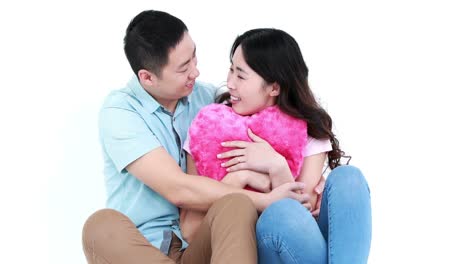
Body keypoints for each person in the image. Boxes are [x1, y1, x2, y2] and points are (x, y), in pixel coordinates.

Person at [81, 11, 311, 264]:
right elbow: (178, 188)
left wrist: (311, 182)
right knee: (99, 227)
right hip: (143, 249)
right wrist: (264, 199)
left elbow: (277, 120)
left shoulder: (210, 101)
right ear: (147, 77)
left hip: (203, 245)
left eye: (193, 58)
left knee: (236, 205)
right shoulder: (120, 111)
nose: (196, 72)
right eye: (183, 68)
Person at [181, 28, 372, 264]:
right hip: (256, 246)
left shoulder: (307, 130)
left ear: (274, 87)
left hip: (303, 247)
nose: (229, 83)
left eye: (241, 76)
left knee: (349, 177)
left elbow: (305, 212)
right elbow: (190, 228)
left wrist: (277, 165)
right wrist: (241, 177)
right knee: (282, 212)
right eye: (231, 69)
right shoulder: (208, 130)